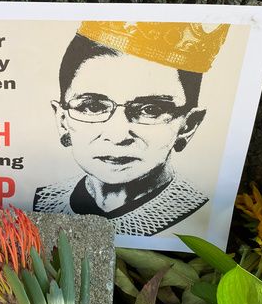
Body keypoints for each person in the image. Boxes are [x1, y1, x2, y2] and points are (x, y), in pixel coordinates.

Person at [33, 21, 230, 236]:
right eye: (92, 106)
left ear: (188, 126)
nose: (118, 136)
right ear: (62, 121)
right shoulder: (42, 203)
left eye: (151, 110)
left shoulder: (199, 218)